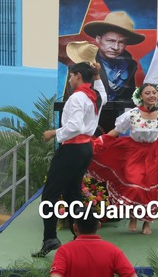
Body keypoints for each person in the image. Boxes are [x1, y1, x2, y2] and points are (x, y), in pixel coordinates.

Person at [89, 83, 158, 235]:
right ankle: (133, 217)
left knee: (150, 187)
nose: (152, 95)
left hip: (154, 153)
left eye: (154, 92)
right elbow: (116, 131)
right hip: (133, 152)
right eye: (147, 93)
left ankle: (147, 222)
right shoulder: (131, 114)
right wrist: (99, 143)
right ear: (140, 97)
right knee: (134, 185)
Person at [35, 61, 107, 258]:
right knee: (72, 194)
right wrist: (98, 76)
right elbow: (105, 95)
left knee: (49, 194)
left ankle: (50, 237)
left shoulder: (77, 98)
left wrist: (53, 133)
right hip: (85, 149)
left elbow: (74, 126)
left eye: (70, 76)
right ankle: (82, 236)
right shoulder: (95, 96)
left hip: (73, 147)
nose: (69, 80)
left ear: (77, 76)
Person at [83, 11, 146, 103]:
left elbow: (129, 100)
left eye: (121, 42)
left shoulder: (130, 66)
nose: (115, 47)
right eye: (110, 41)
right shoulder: (84, 64)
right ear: (98, 39)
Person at [50, 213, 136, 277]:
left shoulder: (64, 251)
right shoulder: (112, 250)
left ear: (74, 227)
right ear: (99, 226)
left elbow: (56, 275)